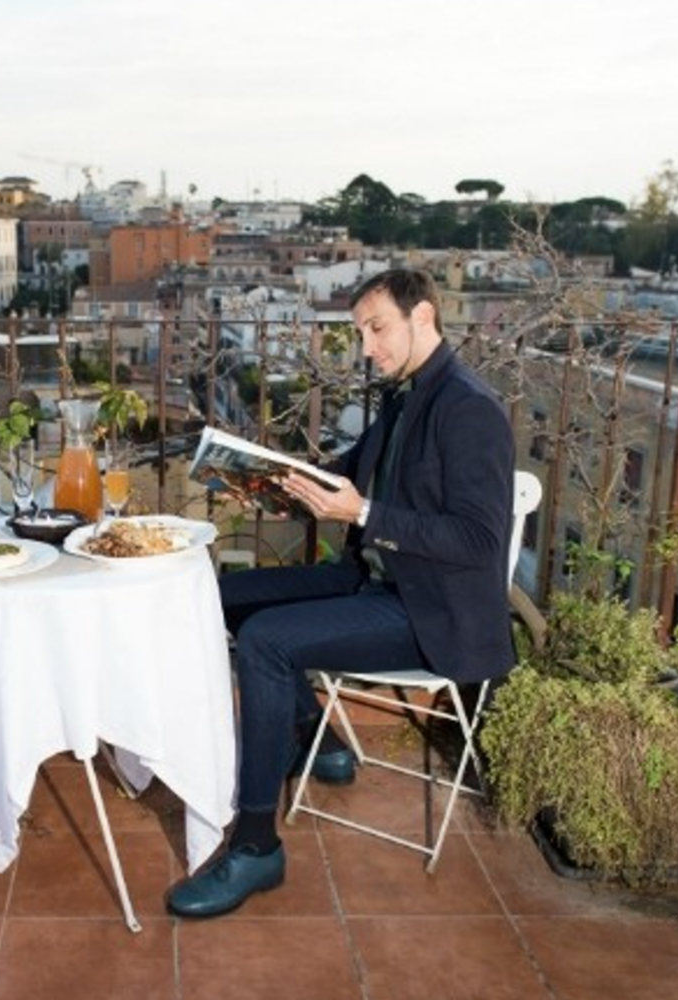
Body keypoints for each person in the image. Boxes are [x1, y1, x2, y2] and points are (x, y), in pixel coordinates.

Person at [167, 268, 516, 918]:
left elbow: (477, 541)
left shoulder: (470, 409)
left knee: (267, 642)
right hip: (374, 577)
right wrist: (268, 481)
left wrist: (364, 514)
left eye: (376, 329)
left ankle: (255, 846)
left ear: (423, 316)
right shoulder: (405, 395)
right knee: (223, 598)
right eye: (361, 333)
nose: (367, 347)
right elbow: (348, 476)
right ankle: (317, 740)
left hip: (431, 613)